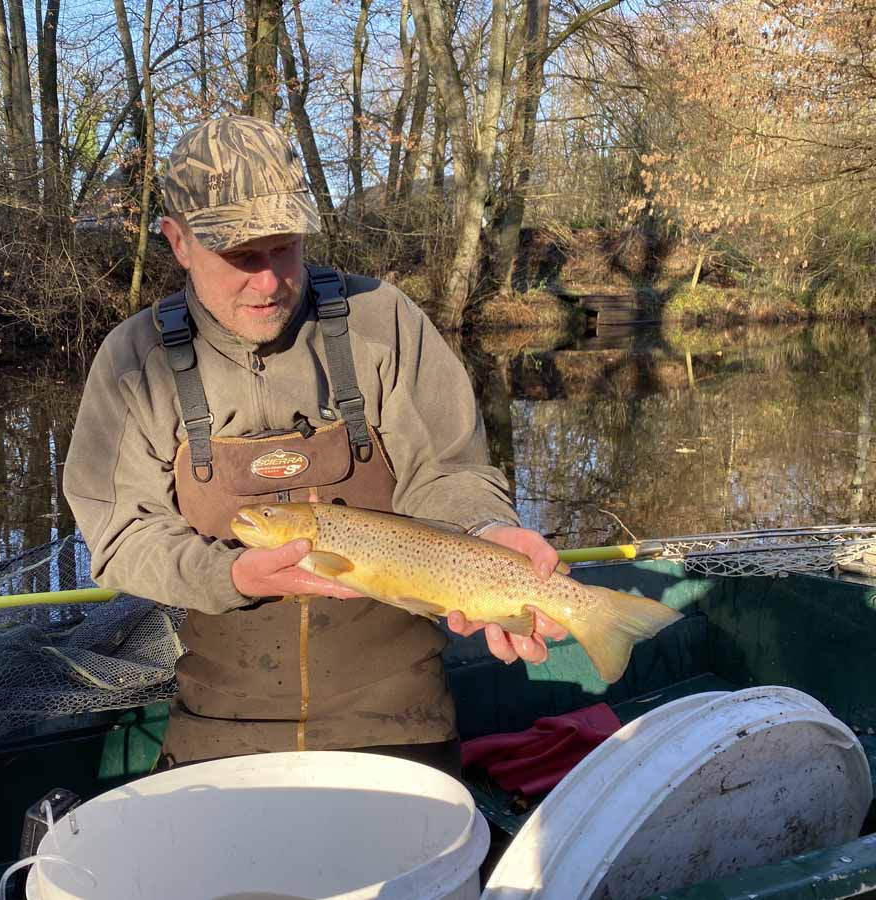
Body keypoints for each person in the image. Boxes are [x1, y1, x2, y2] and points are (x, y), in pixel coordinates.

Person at [63, 114, 567, 777]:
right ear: (178, 242)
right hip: (220, 716)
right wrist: (231, 574)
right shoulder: (136, 360)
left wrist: (485, 531)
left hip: (400, 711)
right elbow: (124, 537)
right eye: (241, 257)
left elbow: (448, 471)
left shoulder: (382, 320)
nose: (269, 282)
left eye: (284, 249)